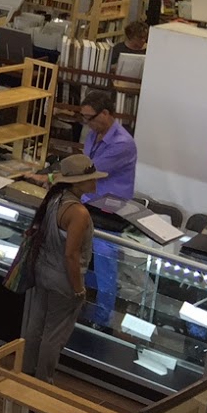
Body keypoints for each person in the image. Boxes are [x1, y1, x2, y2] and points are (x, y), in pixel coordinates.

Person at [19, 153, 101, 381]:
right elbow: (71, 254)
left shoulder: (55, 199)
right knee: (54, 335)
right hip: (62, 280)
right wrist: (78, 289)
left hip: (43, 271)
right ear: (78, 182)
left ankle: (25, 373)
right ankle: (43, 380)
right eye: (91, 178)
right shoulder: (79, 213)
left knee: (36, 326)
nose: (95, 182)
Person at [78, 87, 136, 327]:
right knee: (79, 257)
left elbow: (91, 171)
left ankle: (103, 319)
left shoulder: (122, 143)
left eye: (89, 117)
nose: (86, 123)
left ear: (105, 113)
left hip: (108, 212)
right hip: (88, 204)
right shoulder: (93, 134)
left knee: (104, 266)